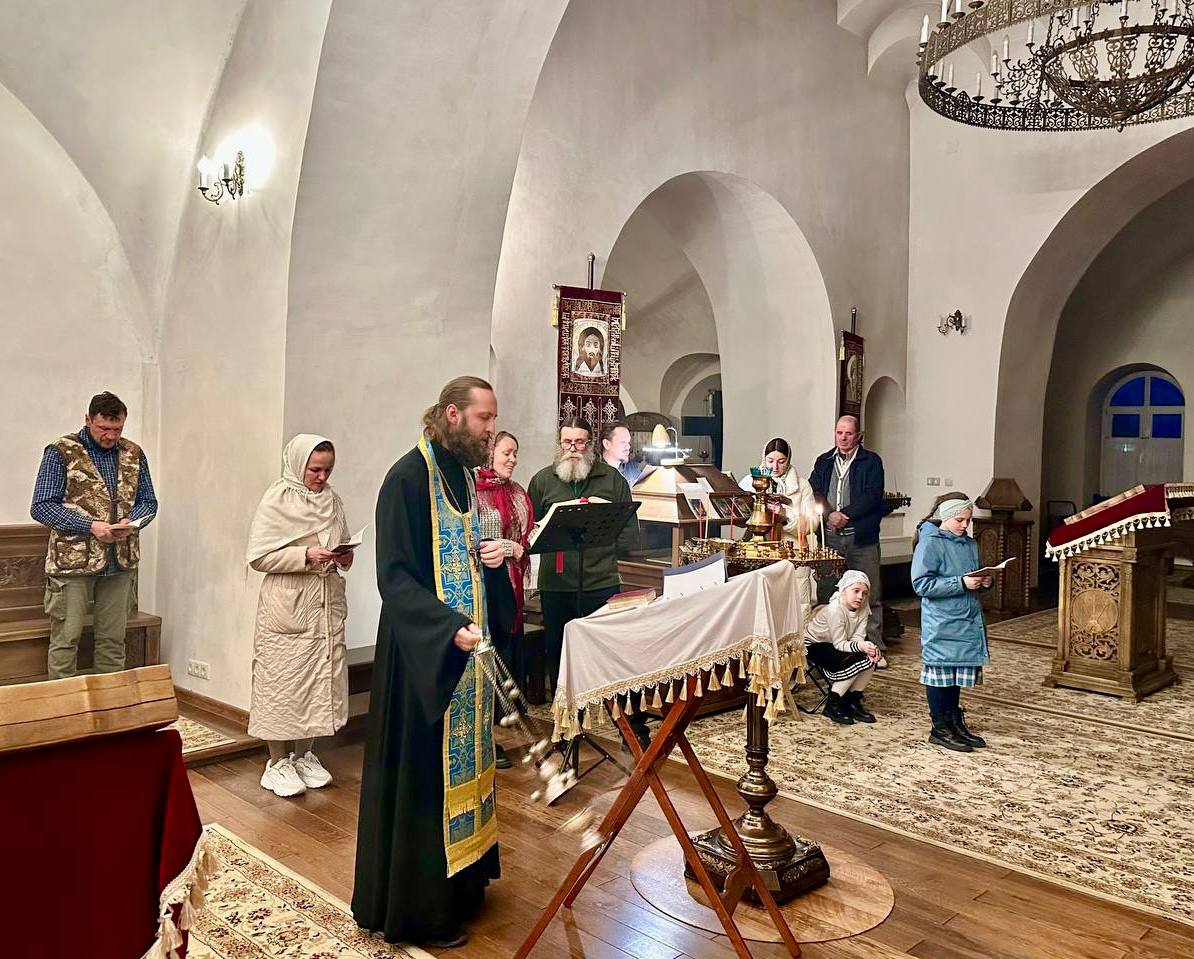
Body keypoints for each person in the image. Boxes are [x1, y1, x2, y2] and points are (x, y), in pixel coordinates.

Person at [352, 376, 505, 949]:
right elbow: (394, 577)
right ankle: (421, 908)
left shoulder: (462, 474)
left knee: (470, 768)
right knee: (425, 778)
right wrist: (446, 629)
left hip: (466, 652)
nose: (491, 430)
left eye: (493, 419)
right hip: (424, 656)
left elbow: (462, 557)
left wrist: (492, 557)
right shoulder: (406, 478)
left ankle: (463, 888)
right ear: (452, 414)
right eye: (484, 418)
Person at [526, 417, 648, 749]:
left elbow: (629, 533)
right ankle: (567, 728)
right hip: (557, 584)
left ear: (590, 443)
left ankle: (631, 728)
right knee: (559, 655)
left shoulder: (612, 479)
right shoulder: (542, 481)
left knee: (613, 653)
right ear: (559, 444)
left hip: (601, 581)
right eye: (567, 442)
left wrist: (600, 538)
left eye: (580, 442)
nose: (574, 449)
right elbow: (530, 531)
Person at [245, 434, 353, 797]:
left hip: (325, 603)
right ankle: (276, 762)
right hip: (288, 606)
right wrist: (305, 555)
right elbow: (258, 557)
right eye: (315, 470)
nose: (322, 477)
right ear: (297, 464)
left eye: (328, 470)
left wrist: (343, 556)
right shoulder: (277, 498)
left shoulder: (332, 500)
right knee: (281, 684)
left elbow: (343, 541)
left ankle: (305, 755)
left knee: (319, 680)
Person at [30, 391, 158, 680]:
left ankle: (109, 703)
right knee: (66, 640)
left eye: (117, 429)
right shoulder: (60, 451)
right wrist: (90, 526)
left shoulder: (134, 453)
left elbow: (148, 502)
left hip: (120, 562)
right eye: (104, 428)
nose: (111, 435)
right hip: (72, 565)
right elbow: (41, 507)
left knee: (113, 641)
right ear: (88, 419)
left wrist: (132, 522)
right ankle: (64, 704)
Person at [911, 492, 991, 753]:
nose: (964, 525)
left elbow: (972, 576)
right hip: (942, 620)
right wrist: (961, 583)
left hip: (966, 617)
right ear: (945, 517)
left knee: (955, 673)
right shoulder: (930, 543)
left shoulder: (969, 544)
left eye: (968, 520)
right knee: (940, 674)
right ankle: (940, 728)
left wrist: (984, 581)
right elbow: (921, 584)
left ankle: (954, 723)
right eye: (959, 520)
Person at [475, 430, 534, 770]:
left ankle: (496, 732)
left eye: (515, 454)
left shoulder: (517, 493)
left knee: (504, 656)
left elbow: (525, 541)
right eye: (506, 453)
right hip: (481, 586)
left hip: (509, 586)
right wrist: (497, 549)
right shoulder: (472, 490)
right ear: (490, 454)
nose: (512, 459)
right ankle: (482, 738)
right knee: (484, 658)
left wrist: (511, 548)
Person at [809, 415, 888, 656]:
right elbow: (815, 491)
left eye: (849, 433)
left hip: (860, 537)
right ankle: (827, 646)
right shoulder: (824, 461)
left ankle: (874, 648)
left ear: (858, 436)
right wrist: (830, 514)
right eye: (839, 433)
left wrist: (846, 515)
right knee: (827, 590)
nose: (843, 438)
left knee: (869, 592)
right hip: (829, 538)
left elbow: (873, 495)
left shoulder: (871, 461)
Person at [803, 570, 882, 725]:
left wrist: (869, 648)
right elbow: (839, 644)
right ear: (844, 590)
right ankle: (833, 704)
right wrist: (861, 646)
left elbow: (857, 637)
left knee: (870, 658)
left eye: (864, 593)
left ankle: (852, 701)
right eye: (856, 591)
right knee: (853, 661)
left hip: (839, 642)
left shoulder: (863, 608)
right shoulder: (835, 610)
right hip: (814, 644)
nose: (860, 597)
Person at [737, 437, 818, 545]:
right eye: (770, 461)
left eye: (781, 462)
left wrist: (786, 515)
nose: (775, 467)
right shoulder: (750, 481)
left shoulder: (802, 486)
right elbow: (736, 515)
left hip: (791, 548)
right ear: (764, 459)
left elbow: (813, 523)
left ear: (788, 460)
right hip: (756, 546)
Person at [600, 421, 644, 486]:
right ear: (606, 444)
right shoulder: (594, 474)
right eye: (623, 442)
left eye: (628, 442)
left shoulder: (633, 469)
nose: (628, 447)